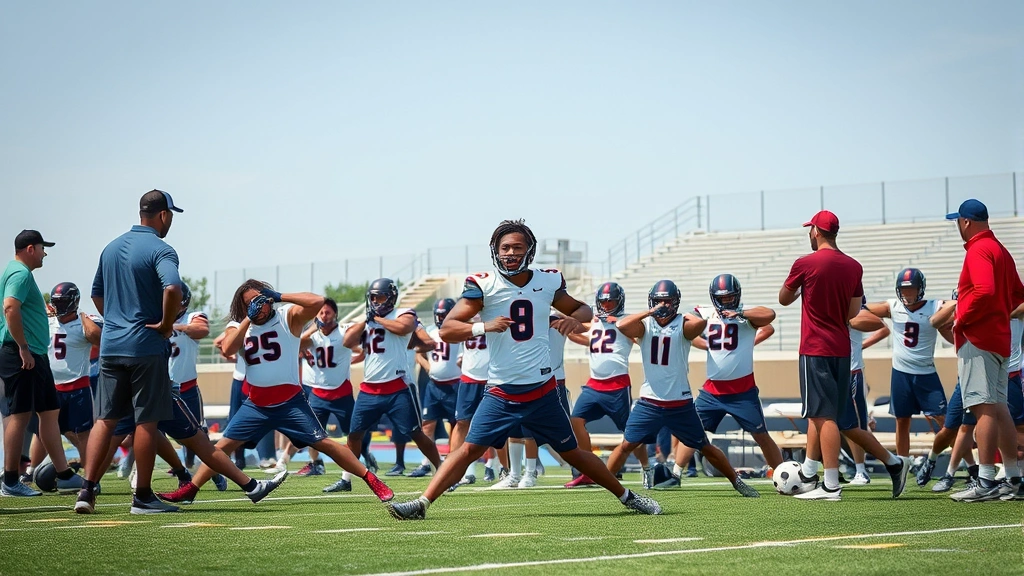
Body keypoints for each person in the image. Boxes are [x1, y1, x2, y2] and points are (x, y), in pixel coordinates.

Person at [387, 220, 661, 519]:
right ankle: (422, 504)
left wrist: (574, 319)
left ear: (529, 251)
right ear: (495, 251)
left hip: (542, 390)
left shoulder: (547, 281)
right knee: (468, 450)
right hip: (501, 392)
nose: (510, 252)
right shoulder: (484, 285)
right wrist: (484, 325)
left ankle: (628, 497)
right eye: (505, 247)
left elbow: (582, 310)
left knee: (573, 454)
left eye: (517, 247)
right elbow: (450, 329)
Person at [162, 281, 392, 504]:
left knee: (324, 442)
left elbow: (317, 301)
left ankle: (371, 479)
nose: (256, 306)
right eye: (249, 302)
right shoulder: (240, 325)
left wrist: (279, 296)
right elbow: (229, 347)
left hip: (290, 402)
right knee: (220, 448)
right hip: (256, 404)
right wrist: (246, 319)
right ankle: (191, 489)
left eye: (259, 300)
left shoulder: (286, 317)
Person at [778, 210, 909, 501]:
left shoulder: (805, 263)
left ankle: (831, 485)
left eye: (809, 229)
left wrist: (806, 286)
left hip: (815, 348)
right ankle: (893, 462)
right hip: (842, 349)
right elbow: (852, 313)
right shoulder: (854, 266)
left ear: (815, 231)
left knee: (823, 417)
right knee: (842, 421)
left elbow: (783, 299)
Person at [77, 190, 184, 514]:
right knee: (146, 422)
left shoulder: (110, 248)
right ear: (164, 215)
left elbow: (97, 294)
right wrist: (166, 324)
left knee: (105, 421)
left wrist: (118, 319)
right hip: (145, 347)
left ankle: (86, 491)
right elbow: (173, 288)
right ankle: (143, 496)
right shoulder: (162, 249)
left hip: (111, 346)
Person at [604, 280, 759, 499]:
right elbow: (621, 325)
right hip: (650, 401)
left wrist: (678, 313)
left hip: (680, 403)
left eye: (667, 301)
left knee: (704, 446)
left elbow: (699, 324)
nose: (663, 305)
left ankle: (737, 481)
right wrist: (649, 312)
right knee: (626, 444)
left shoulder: (683, 325)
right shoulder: (645, 325)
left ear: (676, 302)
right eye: (659, 301)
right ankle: (605, 483)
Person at [658, 274, 781, 489]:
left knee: (761, 435)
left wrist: (742, 316)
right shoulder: (706, 312)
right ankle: (675, 475)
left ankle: (782, 475)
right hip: (713, 390)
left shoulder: (746, 314)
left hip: (742, 390)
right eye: (722, 298)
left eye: (730, 297)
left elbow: (770, 317)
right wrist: (702, 343)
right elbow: (685, 326)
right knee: (693, 431)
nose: (726, 302)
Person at [944, 199, 1024, 501]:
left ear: (966, 222)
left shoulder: (978, 249)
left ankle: (987, 478)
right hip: (1000, 340)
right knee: (998, 406)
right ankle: (1013, 476)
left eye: (958, 222)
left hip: (979, 339)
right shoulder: (1000, 249)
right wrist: (998, 314)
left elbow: (985, 291)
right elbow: (1017, 293)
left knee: (983, 407)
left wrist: (962, 319)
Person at [1, 231, 85, 497]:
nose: (44, 253)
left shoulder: (19, 272)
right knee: (20, 414)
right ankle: (11, 479)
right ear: (29, 249)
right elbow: (10, 307)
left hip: (35, 354)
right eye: (41, 248)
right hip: (23, 354)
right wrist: (23, 347)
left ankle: (63, 474)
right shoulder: (20, 274)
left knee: (49, 412)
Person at [345, 280, 442, 479]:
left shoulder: (403, 313)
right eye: (372, 297)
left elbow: (404, 328)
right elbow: (348, 341)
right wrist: (366, 320)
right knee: (354, 434)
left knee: (416, 433)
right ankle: (348, 478)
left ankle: (441, 470)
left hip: (397, 387)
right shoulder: (369, 319)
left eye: (379, 297)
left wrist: (378, 320)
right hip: (369, 388)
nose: (375, 301)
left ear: (390, 298)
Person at [564, 282, 649, 489]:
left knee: (630, 434)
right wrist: (566, 328)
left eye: (611, 300)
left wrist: (620, 324)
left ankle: (648, 468)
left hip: (617, 386)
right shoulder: (595, 323)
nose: (607, 304)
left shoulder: (625, 322)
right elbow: (583, 337)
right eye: (603, 301)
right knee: (575, 421)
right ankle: (588, 470)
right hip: (594, 385)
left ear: (619, 302)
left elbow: (643, 339)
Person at [865, 268, 950, 459]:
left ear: (920, 289)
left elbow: (956, 305)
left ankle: (967, 463)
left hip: (926, 373)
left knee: (944, 421)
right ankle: (902, 464)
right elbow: (863, 308)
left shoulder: (934, 306)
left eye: (911, 289)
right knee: (902, 421)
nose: (907, 294)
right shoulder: (893, 306)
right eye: (903, 290)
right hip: (901, 373)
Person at [46, 283, 101, 472]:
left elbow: (98, 337)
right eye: (56, 303)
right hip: (52, 386)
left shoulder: (85, 322)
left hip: (78, 386)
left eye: (63, 302)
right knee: (46, 431)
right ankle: (30, 471)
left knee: (84, 433)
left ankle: (90, 477)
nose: (58, 307)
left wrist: (82, 316)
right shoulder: (47, 321)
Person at [408, 299, 462, 478]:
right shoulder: (430, 331)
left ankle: (452, 459)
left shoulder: (457, 329)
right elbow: (418, 353)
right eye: (438, 315)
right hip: (434, 385)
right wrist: (427, 366)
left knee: (456, 423)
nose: (440, 317)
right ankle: (428, 462)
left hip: (454, 384)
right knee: (427, 424)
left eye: (443, 314)